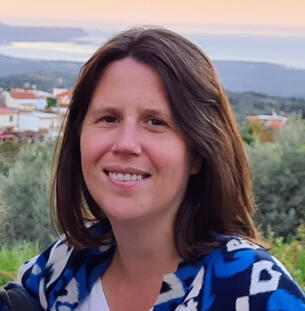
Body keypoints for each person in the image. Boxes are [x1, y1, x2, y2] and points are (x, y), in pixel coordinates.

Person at [2, 26, 305, 311]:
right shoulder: (59, 270)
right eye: (109, 118)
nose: (126, 143)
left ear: (198, 153)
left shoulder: (254, 292)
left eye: (156, 122)